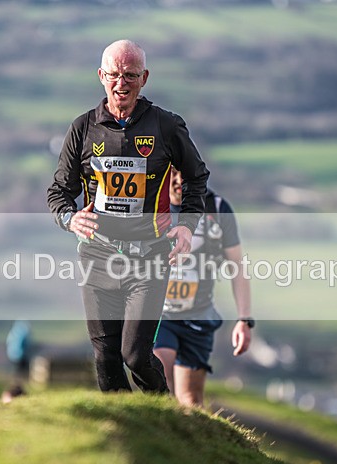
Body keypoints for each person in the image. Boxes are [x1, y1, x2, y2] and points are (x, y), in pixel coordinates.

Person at [46, 39, 209, 393]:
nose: (122, 83)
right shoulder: (83, 128)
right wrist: (69, 219)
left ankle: (164, 416)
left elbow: (197, 178)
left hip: (150, 256)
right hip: (98, 255)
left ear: (144, 78)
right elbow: (58, 193)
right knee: (105, 357)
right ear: (101, 76)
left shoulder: (166, 126)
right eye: (115, 75)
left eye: (131, 75)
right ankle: (123, 434)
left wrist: (186, 228)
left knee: (134, 355)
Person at [153, 168, 252, 408]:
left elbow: (238, 266)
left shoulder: (217, 209)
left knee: (191, 400)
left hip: (198, 314)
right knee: (161, 372)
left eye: (182, 173)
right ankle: (161, 438)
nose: (177, 180)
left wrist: (244, 319)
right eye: (171, 174)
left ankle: (186, 442)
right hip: (158, 313)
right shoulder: (152, 204)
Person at [0, 320, 33, 403]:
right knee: (23, 372)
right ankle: (20, 385)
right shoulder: (23, 333)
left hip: (12, 355)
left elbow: (8, 342)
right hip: (20, 355)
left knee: (17, 371)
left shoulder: (14, 332)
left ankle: (17, 384)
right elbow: (25, 344)